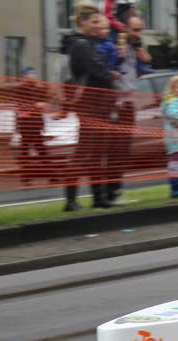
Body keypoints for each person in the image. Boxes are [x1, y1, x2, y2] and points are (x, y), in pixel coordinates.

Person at [60, 1, 118, 211]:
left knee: (96, 152)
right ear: (82, 21)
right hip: (90, 105)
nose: (97, 25)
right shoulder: (82, 45)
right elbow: (98, 71)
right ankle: (71, 200)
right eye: (94, 21)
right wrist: (111, 77)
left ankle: (98, 197)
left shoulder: (85, 43)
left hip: (97, 105)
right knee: (83, 152)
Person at [102, 13, 154, 204]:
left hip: (129, 102)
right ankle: (107, 193)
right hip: (114, 102)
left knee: (123, 150)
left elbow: (143, 66)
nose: (138, 34)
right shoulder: (114, 45)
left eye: (141, 29)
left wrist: (146, 59)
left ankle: (116, 190)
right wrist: (117, 57)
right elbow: (105, 69)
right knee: (113, 149)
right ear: (123, 28)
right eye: (135, 30)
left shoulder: (136, 46)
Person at [15, 66, 50, 182]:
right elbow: (21, 106)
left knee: (41, 151)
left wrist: (42, 106)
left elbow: (42, 105)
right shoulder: (21, 89)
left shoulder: (37, 89)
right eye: (31, 74)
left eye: (34, 74)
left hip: (35, 125)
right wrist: (36, 106)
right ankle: (26, 176)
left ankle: (51, 175)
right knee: (26, 152)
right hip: (26, 126)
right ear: (25, 76)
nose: (33, 76)